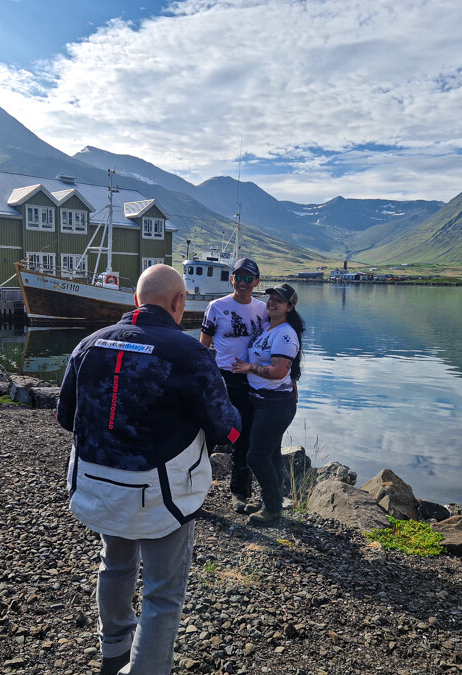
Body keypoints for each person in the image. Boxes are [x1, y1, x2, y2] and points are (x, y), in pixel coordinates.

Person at [56, 264, 241, 675]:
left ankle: (114, 653)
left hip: (97, 483)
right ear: (179, 302)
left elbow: (66, 416)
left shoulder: (88, 345)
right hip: (162, 492)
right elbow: (225, 428)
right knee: (162, 592)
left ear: (136, 299)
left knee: (115, 563)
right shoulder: (190, 354)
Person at [230, 283, 304, 526]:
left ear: (290, 307)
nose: (271, 302)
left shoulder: (285, 335)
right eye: (270, 297)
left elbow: (279, 371)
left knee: (256, 456)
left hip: (275, 404)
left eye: (278, 300)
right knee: (271, 455)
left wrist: (249, 367)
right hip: (261, 401)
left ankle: (273, 510)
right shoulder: (267, 327)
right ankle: (270, 501)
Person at [199, 257, 268, 514]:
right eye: (238, 277)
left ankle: (240, 494)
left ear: (257, 282)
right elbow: (203, 348)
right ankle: (194, 493)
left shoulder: (263, 309)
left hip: (250, 380)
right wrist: (201, 380)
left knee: (244, 436)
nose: (243, 283)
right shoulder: (216, 307)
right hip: (222, 379)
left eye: (249, 278)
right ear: (232, 280)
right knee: (208, 434)